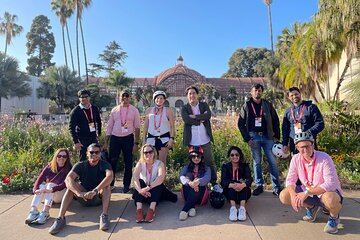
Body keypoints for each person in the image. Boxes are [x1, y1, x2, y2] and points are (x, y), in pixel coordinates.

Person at [279, 132, 343, 234]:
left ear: (313, 144)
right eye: (301, 147)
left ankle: (334, 217)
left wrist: (307, 193)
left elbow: (330, 183)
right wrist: (293, 195)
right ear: (297, 147)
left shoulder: (324, 157)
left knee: (330, 200)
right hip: (308, 190)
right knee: (284, 195)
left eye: (307, 146)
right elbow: (290, 180)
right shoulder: (296, 158)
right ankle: (311, 208)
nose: (305, 150)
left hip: (324, 192)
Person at [48, 143, 113, 235]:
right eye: (91, 152)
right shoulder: (81, 165)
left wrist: (95, 190)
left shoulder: (105, 165)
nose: (94, 154)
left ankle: (104, 215)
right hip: (83, 196)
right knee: (70, 186)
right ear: (87, 153)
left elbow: (110, 177)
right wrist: (78, 193)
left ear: (100, 154)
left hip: (97, 197)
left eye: (96, 152)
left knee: (107, 187)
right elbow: (68, 179)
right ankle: (60, 218)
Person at [238, 83, 281, 196]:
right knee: (257, 162)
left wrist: (277, 137)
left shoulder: (267, 105)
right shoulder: (246, 106)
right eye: (255, 90)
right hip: (253, 137)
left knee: (273, 162)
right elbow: (240, 123)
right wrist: (247, 138)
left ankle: (276, 187)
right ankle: (259, 185)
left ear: (262, 92)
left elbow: (275, 120)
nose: (257, 92)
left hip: (268, 137)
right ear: (251, 92)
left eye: (259, 90)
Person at [181, 85, 222, 193]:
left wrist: (194, 117)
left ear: (197, 95)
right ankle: (195, 185)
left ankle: (214, 183)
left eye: (194, 93)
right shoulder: (185, 108)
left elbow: (208, 115)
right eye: (189, 93)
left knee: (209, 162)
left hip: (205, 140)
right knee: (193, 163)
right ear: (187, 96)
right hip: (192, 141)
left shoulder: (203, 105)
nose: (192, 95)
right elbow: (186, 119)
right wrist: (200, 119)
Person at [105, 89, 141, 193]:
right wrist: (106, 143)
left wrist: (136, 143)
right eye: (123, 96)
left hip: (128, 138)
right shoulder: (114, 110)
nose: (124, 98)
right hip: (115, 138)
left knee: (128, 162)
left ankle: (126, 185)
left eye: (127, 96)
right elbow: (109, 126)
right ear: (119, 97)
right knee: (112, 162)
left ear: (130, 97)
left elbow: (137, 127)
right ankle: (110, 184)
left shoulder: (134, 110)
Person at [25, 148, 72, 225]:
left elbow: (64, 184)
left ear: (67, 158)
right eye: (59, 156)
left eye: (64, 156)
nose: (61, 158)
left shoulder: (69, 168)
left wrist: (52, 189)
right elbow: (40, 178)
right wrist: (35, 189)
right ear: (56, 156)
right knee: (41, 186)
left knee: (50, 185)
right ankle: (34, 211)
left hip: (60, 194)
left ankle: (45, 212)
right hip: (49, 195)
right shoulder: (50, 166)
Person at [282, 87, 325, 154]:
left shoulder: (311, 107)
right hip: (295, 145)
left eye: (296, 94)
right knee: (297, 163)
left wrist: (308, 132)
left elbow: (320, 124)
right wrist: (285, 143)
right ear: (289, 98)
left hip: (309, 143)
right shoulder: (288, 111)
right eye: (292, 95)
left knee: (311, 163)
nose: (294, 96)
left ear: (300, 94)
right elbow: (285, 129)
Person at [132, 144, 168, 223]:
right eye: (146, 152)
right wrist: (140, 190)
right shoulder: (140, 163)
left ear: (154, 153)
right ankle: (139, 210)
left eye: (150, 152)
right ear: (143, 154)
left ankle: (151, 210)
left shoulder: (159, 164)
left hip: (154, 192)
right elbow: (135, 177)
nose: (148, 154)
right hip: (143, 193)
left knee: (158, 183)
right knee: (139, 182)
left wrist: (148, 188)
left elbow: (160, 178)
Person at [178, 146, 211, 221]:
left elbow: (207, 178)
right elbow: (181, 176)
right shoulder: (186, 167)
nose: (196, 158)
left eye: (198, 156)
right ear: (190, 157)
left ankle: (185, 210)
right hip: (188, 191)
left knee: (198, 185)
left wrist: (197, 182)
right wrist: (190, 183)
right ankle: (192, 207)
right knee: (187, 180)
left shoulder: (206, 168)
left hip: (200, 195)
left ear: (201, 157)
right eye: (193, 156)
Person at [143, 90, 175, 165]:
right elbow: (145, 127)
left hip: (164, 139)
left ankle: (162, 177)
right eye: (157, 98)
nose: (159, 100)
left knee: (162, 162)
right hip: (151, 139)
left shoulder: (168, 110)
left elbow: (172, 126)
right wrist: (144, 140)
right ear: (154, 99)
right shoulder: (149, 110)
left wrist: (171, 139)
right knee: (150, 161)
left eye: (161, 98)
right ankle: (152, 177)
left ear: (164, 100)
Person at [221, 146, 252, 221]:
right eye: (232, 155)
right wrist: (233, 185)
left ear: (240, 155)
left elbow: (249, 179)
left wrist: (242, 185)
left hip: (243, 193)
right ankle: (233, 209)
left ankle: (242, 208)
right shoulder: (225, 167)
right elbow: (223, 181)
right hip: (230, 193)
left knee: (244, 186)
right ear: (229, 156)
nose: (234, 156)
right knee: (231, 186)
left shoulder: (245, 166)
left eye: (237, 155)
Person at [69, 89, 102, 161]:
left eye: (86, 96)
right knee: (83, 159)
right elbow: (71, 128)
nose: (84, 98)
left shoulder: (94, 108)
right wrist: (76, 142)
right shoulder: (75, 111)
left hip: (93, 137)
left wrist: (99, 133)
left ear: (89, 97)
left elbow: (98, 121)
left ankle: (94, 172)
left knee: (95, 157)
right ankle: (82, 172)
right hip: (82, 139)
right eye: (81, 97)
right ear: (79, 98)